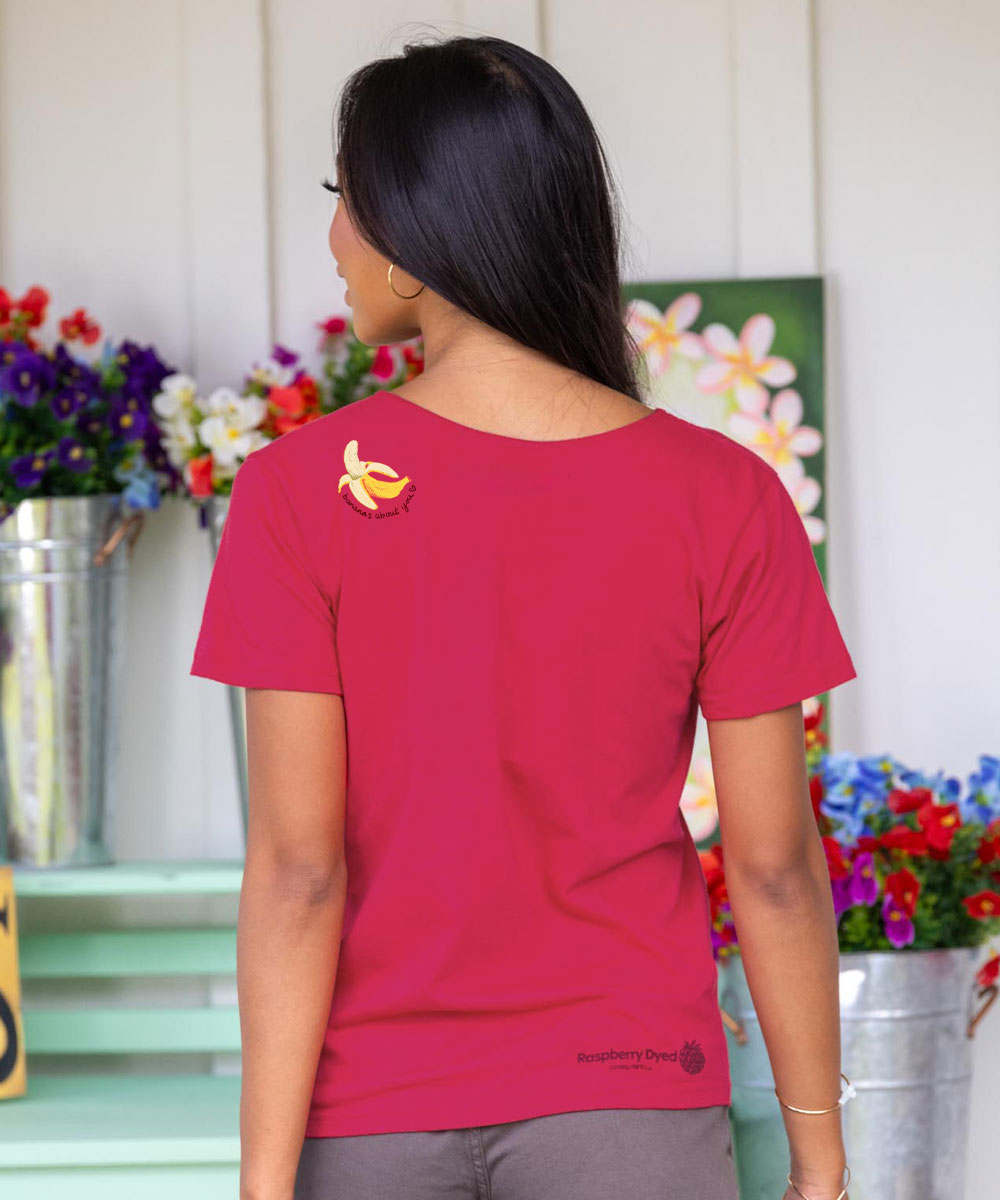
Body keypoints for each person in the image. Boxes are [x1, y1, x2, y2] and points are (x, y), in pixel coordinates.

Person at [190, 32, 856, 1200]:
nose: (335, 237)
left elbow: (299, 870)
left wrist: (261, 1181)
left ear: (413, 235)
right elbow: (775, 868)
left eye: (345, 199)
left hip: (372, 1114)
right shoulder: (724, 493)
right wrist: (819, 1161)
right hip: (635, 1100)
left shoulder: (299, 491)